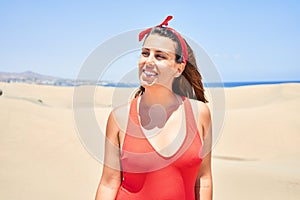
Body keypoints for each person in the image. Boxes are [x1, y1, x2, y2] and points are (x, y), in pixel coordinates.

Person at [95, 16, 212, 200]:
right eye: (145, 53)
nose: (148, 61)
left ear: (179, 68)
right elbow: (109, 183)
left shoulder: (200, 114)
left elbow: (203, 180)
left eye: (160, 56)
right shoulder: (119, 118)